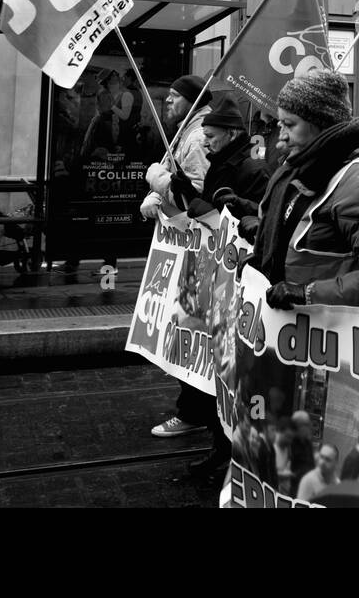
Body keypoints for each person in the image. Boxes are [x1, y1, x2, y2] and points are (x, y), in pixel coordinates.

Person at [154, 100, 269, 482]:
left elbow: (238, 224)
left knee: (228, 370)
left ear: (231, 133)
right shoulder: (224, 162)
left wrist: (197, 202)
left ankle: (230, 450)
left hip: (234, 283)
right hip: (213, 277)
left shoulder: (251, 169)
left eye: (212, 135)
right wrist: (178, 189)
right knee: (214, 367)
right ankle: (218, 444)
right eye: (204, 135)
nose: (206, 141)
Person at [248, 69, 359, 313]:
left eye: (290, 125)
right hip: (294, 336)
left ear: (320, 124)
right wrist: (258, 262)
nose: (280, 138)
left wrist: (306, 294)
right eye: (280, 123)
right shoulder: (296, 169)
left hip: (347, 342)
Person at [140, 75, 214, 224]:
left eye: (175, 95)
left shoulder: (199, 136)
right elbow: (172, 171)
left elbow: (194, 195)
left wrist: (156, 177)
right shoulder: (186, 130)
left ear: (192, 101)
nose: (167, 100)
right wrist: (155, 196)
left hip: (192, 233)